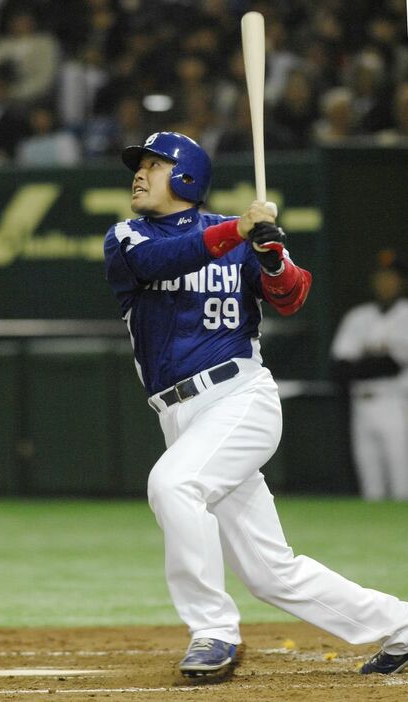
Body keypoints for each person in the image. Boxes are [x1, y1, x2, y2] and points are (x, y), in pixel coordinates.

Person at [104, 131, 408, 678]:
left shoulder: (241, 237)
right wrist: (237, 232)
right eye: (140, 164)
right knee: (271, 573)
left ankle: (213, 631)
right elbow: (161, 261)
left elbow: (293, 295)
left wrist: (270, 257)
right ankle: (402, 625)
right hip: (181, 416)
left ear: (187, 175)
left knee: (174, 485)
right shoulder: (128, 236)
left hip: (238, 397)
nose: (141, 173)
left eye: (155, 163)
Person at [330, 250, 408, 501]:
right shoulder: (358, 316)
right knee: (370, 483)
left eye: (391, 277)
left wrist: (366, 359)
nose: (385, 282)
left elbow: (391, 365)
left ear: (401, 281)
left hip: (396, 403)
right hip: (360, 403)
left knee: (401, 482)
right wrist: (376, 358)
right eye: (381, 277)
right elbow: (341, 367)